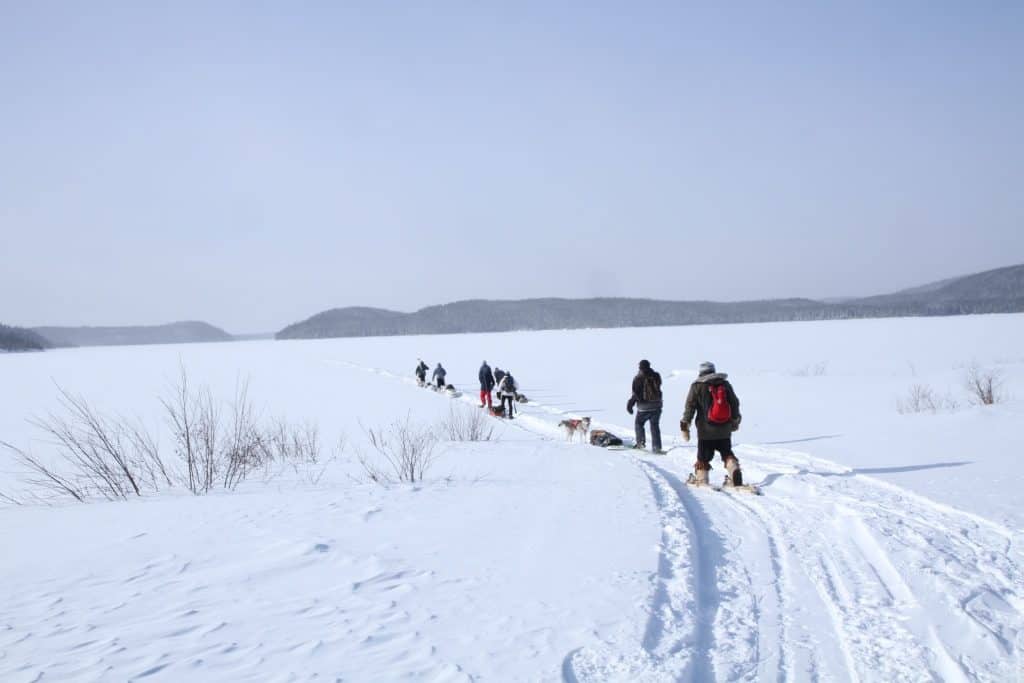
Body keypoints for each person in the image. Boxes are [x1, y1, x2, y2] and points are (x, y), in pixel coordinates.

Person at [680, 361, 743, 486]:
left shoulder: (697, 386)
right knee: (726, 452)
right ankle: (734, 468)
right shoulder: (725, 384)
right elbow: (734, 403)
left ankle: (702, 479)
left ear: (701, 372)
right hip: (724, 428)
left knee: (703, 457)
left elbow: (690, 407)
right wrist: (735, 421)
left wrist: (685, 426)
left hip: (705, 430)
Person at [627, 359, 663, 453]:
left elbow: (636, 393)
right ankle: (657, 447)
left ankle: (640, 443)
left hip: (644, 407)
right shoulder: (656, 375)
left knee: (639, 424)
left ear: (640, 367)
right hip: (657, 405)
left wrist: (630, 404)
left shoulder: (638, 378)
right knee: (654, 426)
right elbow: (659, 386)